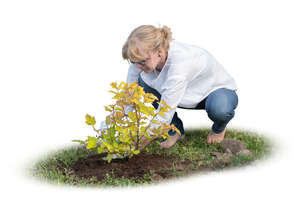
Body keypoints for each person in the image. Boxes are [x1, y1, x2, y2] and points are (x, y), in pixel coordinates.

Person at [117, 24, 238, 149]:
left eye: (142, 61)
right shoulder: (142, 59)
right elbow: (130, 92)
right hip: (181, 93)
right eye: (133, 61)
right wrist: (119, 118)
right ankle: (175, 131)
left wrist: (140, 142)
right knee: (142, 81)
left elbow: (165, 113)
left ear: (159, 52)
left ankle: (219, 128)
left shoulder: (181, 63)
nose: (137, 66)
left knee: (221, 110)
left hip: (214, 91)